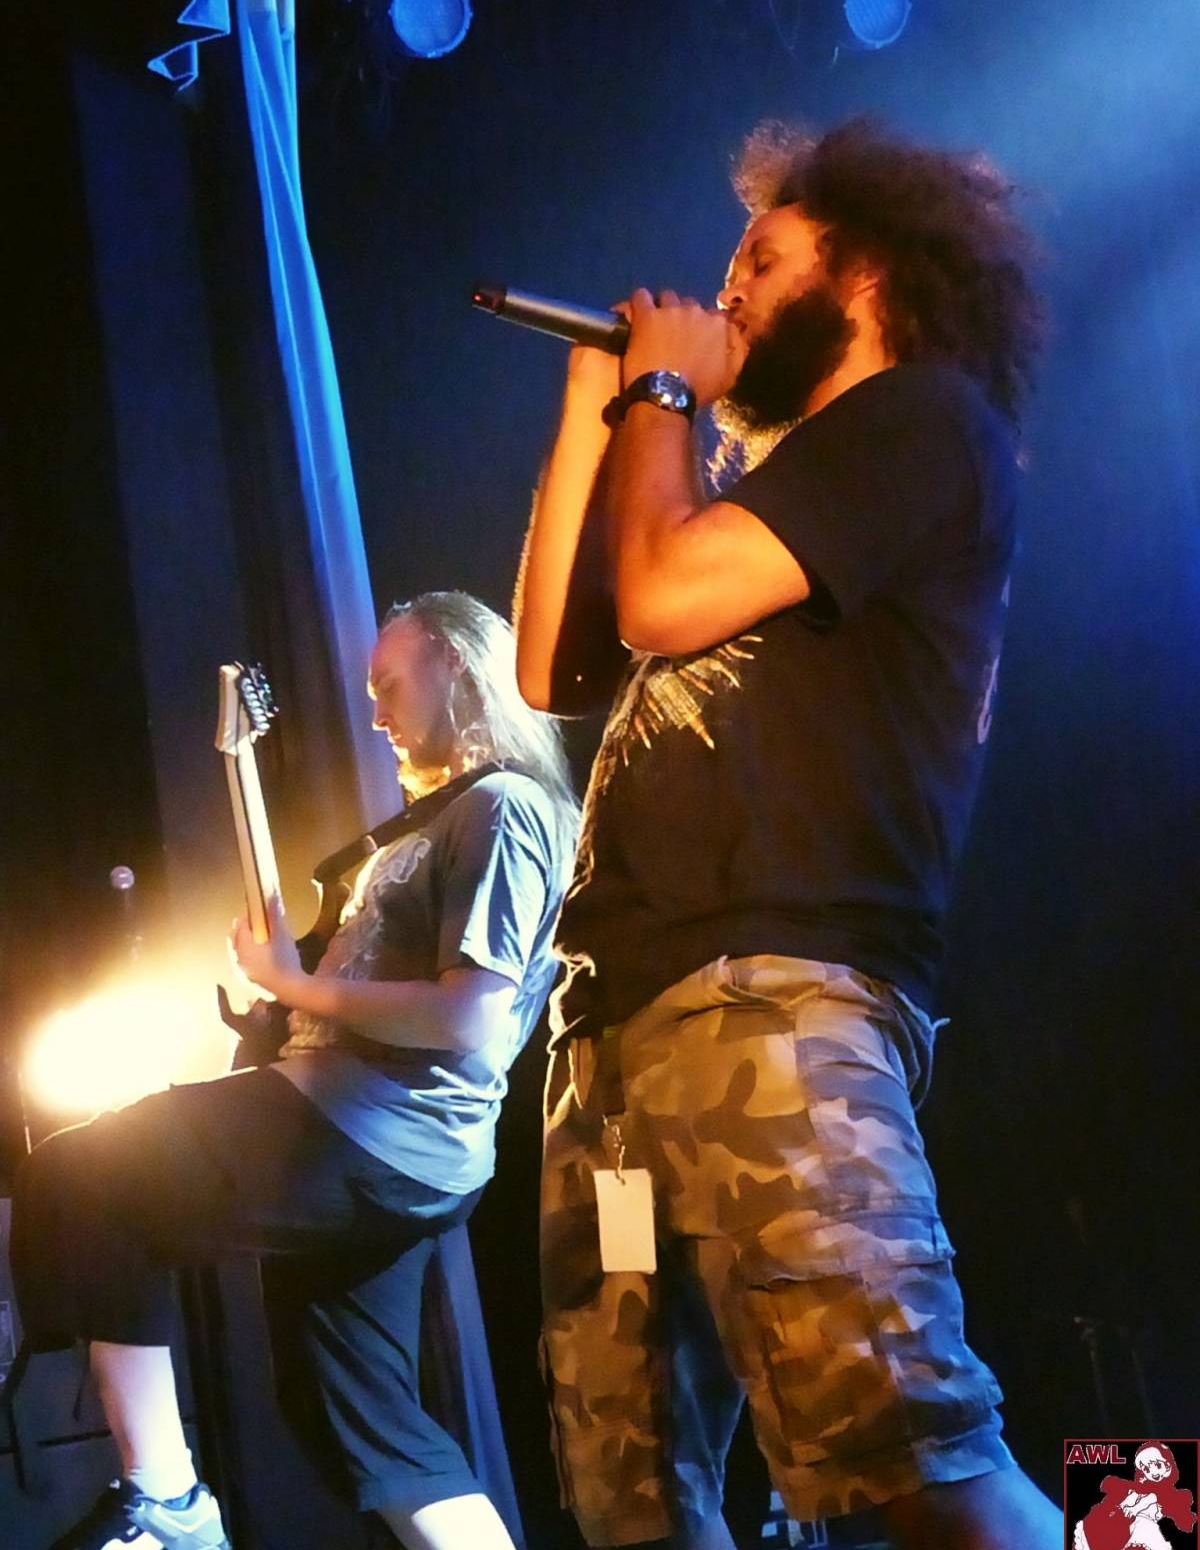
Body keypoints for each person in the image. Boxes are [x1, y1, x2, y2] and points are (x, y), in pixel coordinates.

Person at [515, 118, 1060, 1549]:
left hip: (775, 1000)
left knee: (908, 1453)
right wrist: (600, 408)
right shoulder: (747, 492)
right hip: (616, 1036)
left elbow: (658, 600)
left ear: (866, 273)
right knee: (631, 1495)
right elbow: (553, 668)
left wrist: (665, 398)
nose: (730, 290)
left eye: (762, 258)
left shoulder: (922, 423)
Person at [12, 591, 578, 1550]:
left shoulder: (505, 807)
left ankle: (169, 1505)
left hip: (369, 1129)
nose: (377, 713)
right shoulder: (433, 823)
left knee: (86, 1173)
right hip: (386, 1143)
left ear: (454, 663)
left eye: (388, 684)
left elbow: (469, 1015)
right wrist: (280, 1010)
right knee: (359, 1422)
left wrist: (297, 986)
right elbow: (376, 994)